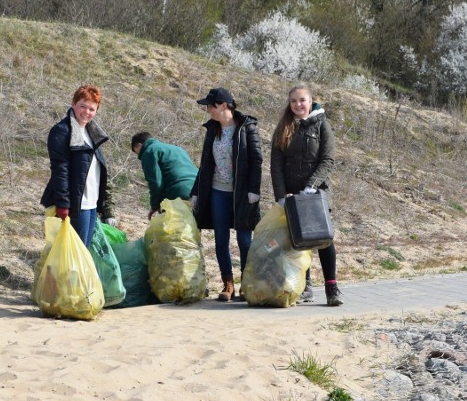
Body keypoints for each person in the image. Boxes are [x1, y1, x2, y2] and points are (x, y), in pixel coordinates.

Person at [270, 85, 344, 306]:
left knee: (323, 239)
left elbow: (328, 160)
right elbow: (276, 165)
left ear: (311, 101)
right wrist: (281, 195)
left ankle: (332, 288)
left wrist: (312, 186)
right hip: (291, 194)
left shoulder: (322, 125)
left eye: (302, 100)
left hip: (317, 193)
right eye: (293, 101)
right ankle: (305, 286)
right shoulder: (283, 127)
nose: (298, 105)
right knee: (298, 241)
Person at [191, 87, 262, 302]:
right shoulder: (212, 129)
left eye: (210, 106)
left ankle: (247, 283)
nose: (208, 111)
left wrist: (254, 190)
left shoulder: (247, 128)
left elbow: (256, 161)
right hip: (217, 191)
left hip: (241, 193)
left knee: (244, 240)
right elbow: (205, 164)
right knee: (221, 239)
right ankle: (228, 284)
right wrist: (195, 192)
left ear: (223, 105)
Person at [40, 85, 116, 247]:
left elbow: (97, 172)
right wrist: (63, 204)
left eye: (92, 109)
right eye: (83, 106)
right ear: (73, 103)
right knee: (73, 250)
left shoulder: (91, 133)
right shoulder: (62, 131)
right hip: (76, 204)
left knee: (83, 251)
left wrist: (103, 204)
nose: (86, 112)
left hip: (91, 203)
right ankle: (60, 274)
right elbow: (60, 170)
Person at [131, 132, 198, 220]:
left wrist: (154, 206)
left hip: (178, 192)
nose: (139, 156)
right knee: (192, 228)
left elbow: (155, 182)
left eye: (137, 153)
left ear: (139, 146)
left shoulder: (149, 151)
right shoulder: (177, 149)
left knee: (174, 230)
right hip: (198, 191)